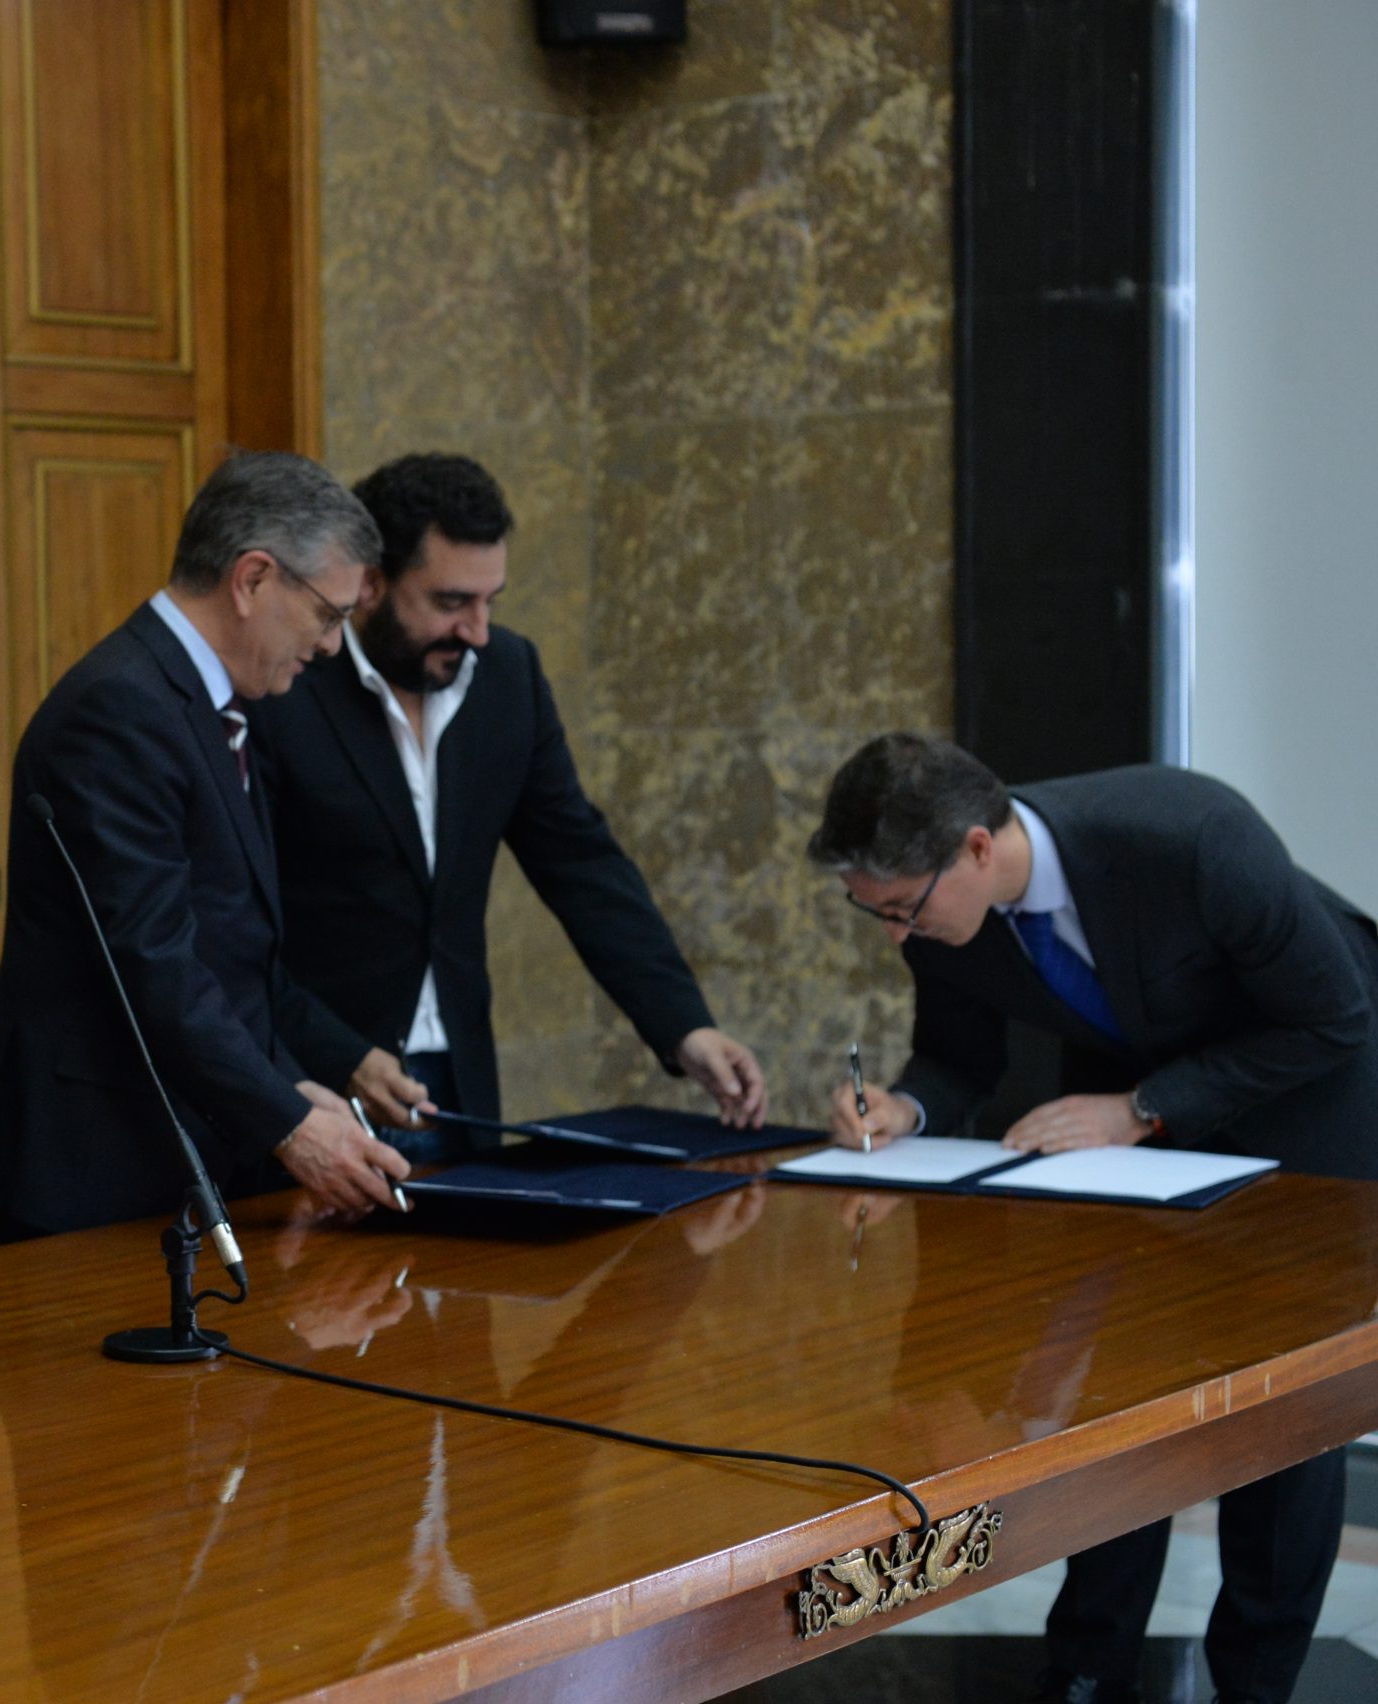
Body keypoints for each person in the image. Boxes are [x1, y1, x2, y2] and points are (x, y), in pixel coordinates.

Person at [807, 732, 1378, 1704]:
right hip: (1137, 1102)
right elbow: (956, 1059)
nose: (898, 936)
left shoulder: (1191, 836)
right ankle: (1085, 1667)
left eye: (902, 909)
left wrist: (1143, 1108)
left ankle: (1256, 1683)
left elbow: (1332, 1015)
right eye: (877, 914)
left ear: (976, 849)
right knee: (1116, 1381)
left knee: (1284, 1405)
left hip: (1312, 1087)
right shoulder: (947, 910)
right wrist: (904, 1107)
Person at [251, 452, 765, 1157]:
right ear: (371, 583)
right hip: (312, 1086)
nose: (478, 631)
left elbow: (581, 863)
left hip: (457, 1086)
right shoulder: (285, 686)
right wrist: (334, 1054)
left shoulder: (508, 677)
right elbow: (236, 924)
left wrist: (685, 1027)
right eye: (451, 602)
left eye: (491, 601)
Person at [0, 451, 411, 1240]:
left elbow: (231, 949)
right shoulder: (120, 709)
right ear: (253, 579)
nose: (333, 646)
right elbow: (154, 963)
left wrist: (291, 1086)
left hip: (183, 1143)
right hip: (97, 1163)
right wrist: (286, 1121)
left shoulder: (213, 703)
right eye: (328, 614)